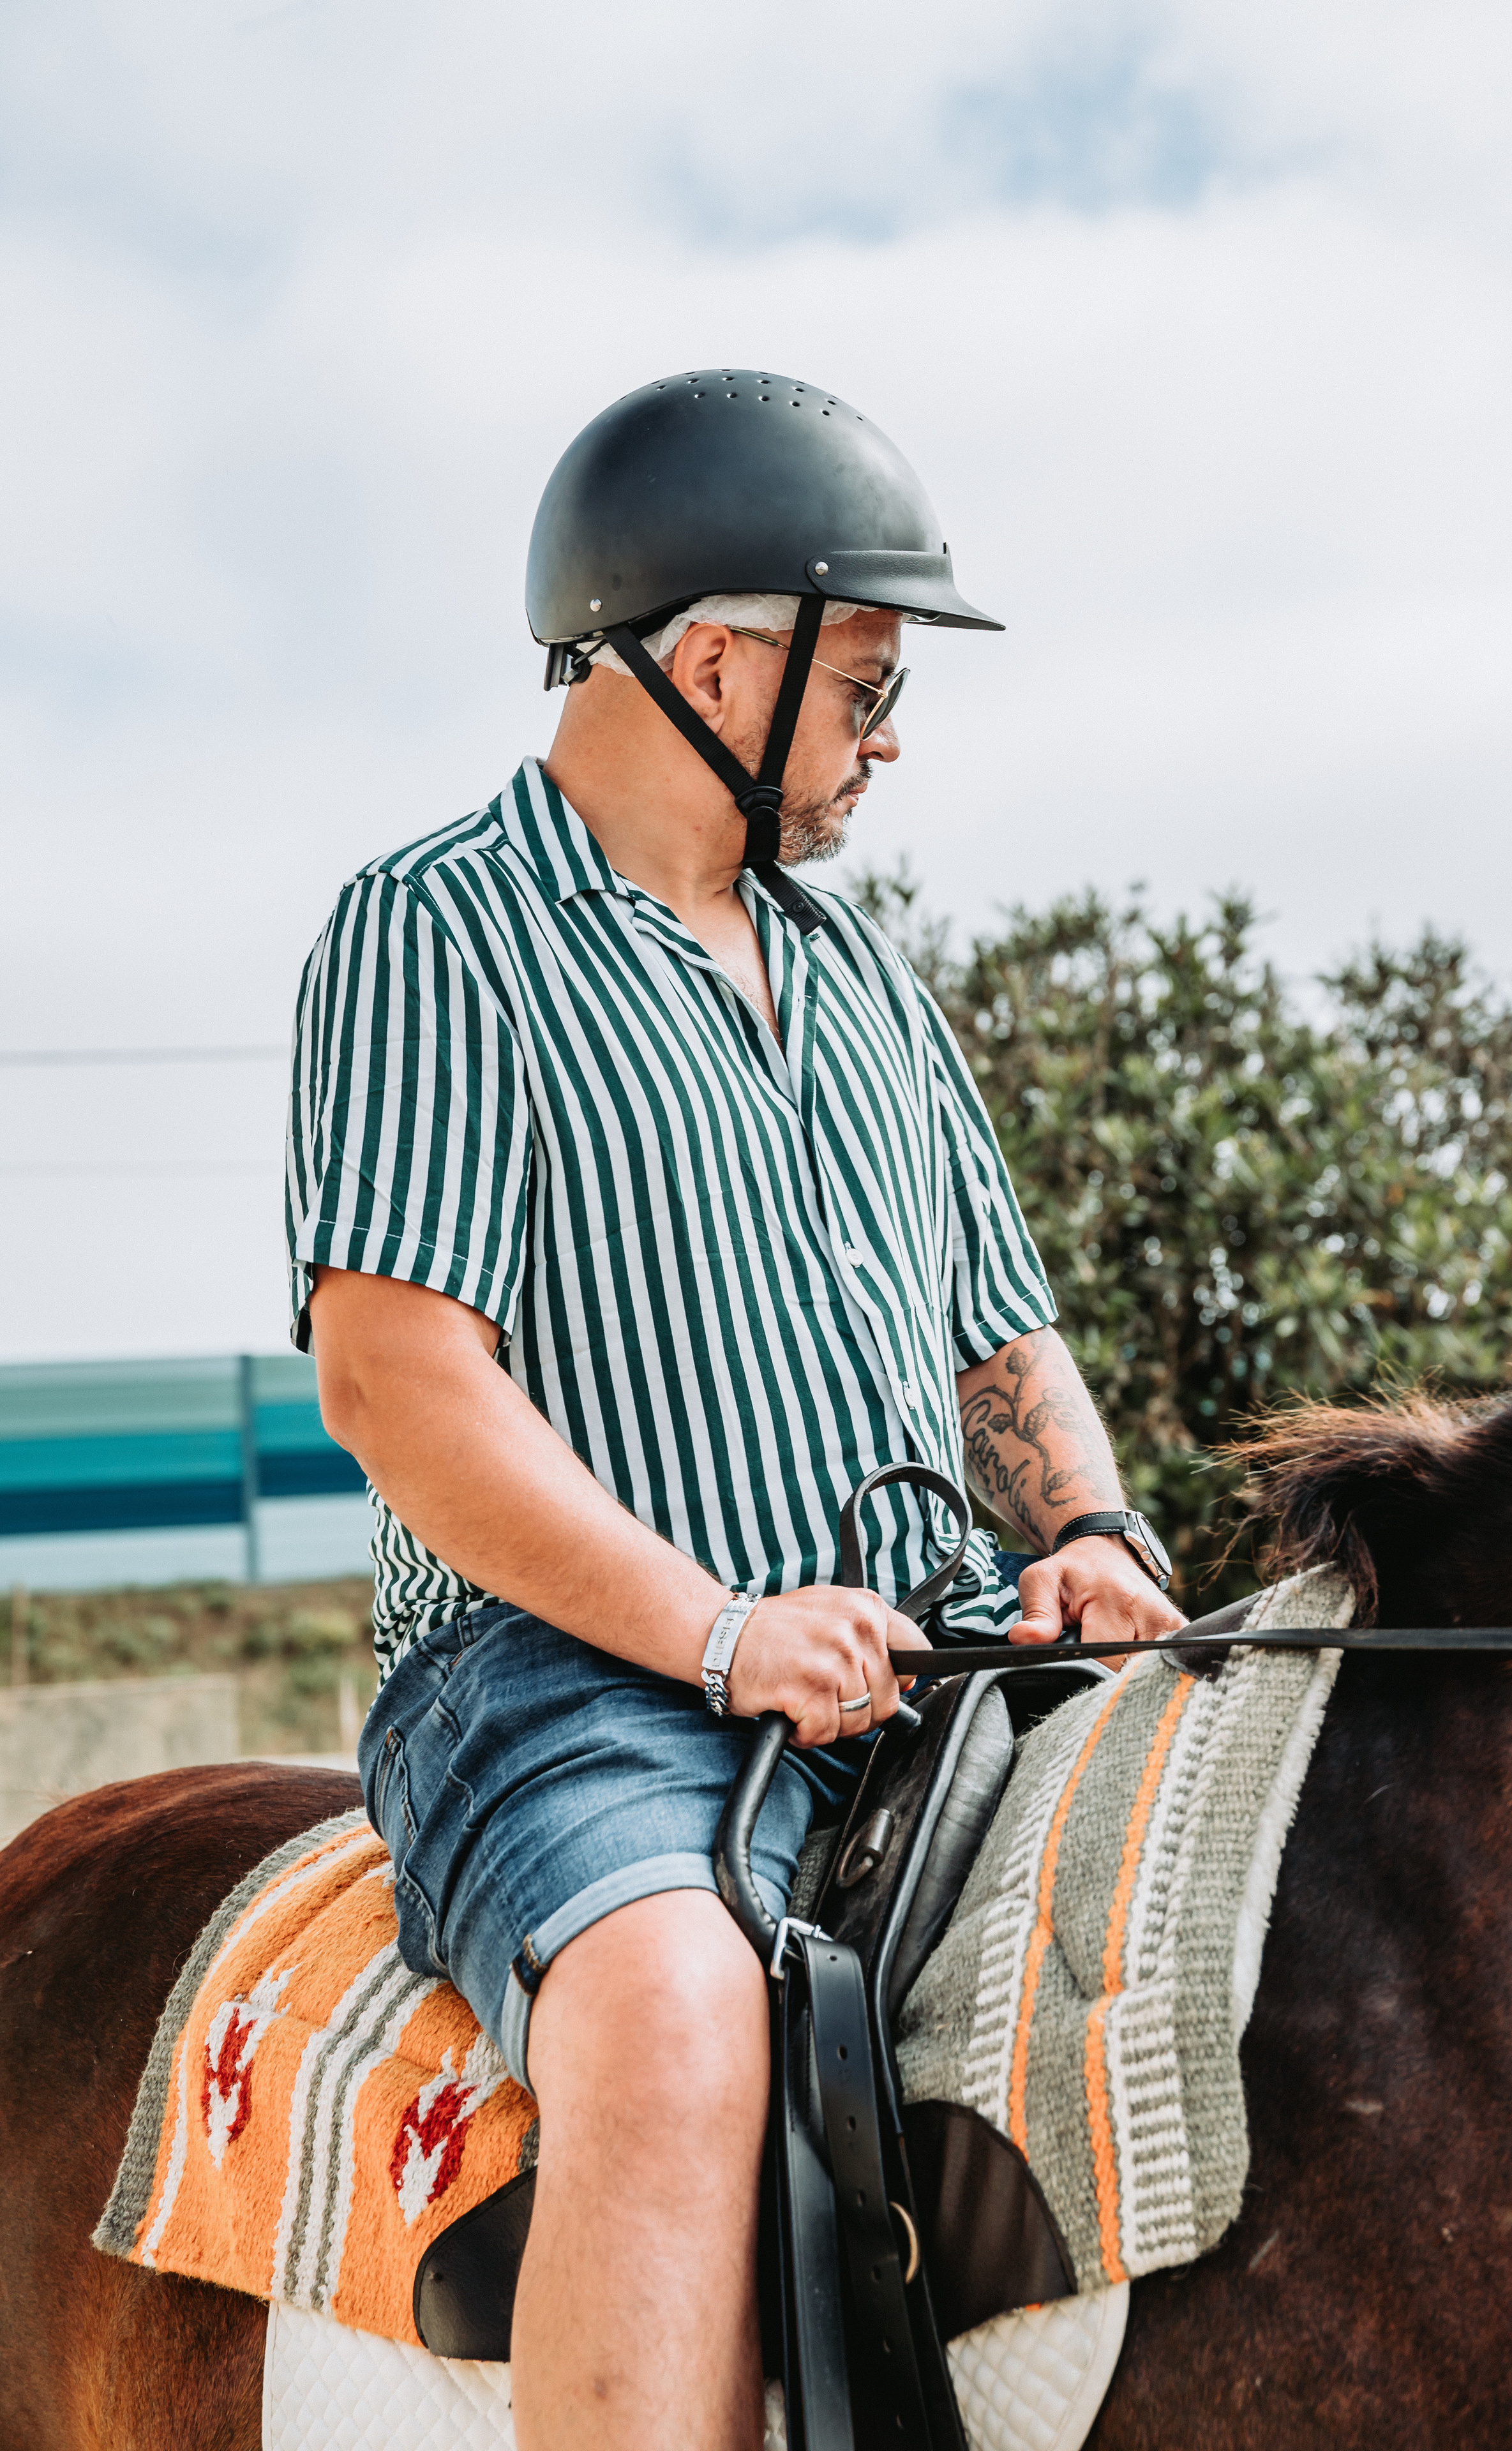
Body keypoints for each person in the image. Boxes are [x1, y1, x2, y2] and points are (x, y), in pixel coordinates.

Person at [287, 368, 1185, 2451]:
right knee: (683, 2025)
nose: (890, 742)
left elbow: (999, 1333)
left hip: (927, 1650)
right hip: (567, 1693)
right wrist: (718, 1629)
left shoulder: (861, 971)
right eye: (863, 690)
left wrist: (1089, 1539)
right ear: (712, 665)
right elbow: (399, 1382)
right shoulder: (437, 936)